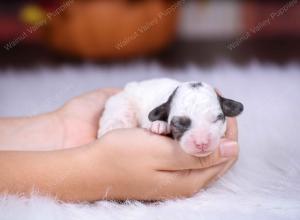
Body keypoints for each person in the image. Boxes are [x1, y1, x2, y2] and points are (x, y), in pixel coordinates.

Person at [0, 88, 239, 202]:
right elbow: (150, 118)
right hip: (129, 101)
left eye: (215, 120)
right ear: (166, 115)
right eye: (181, 125)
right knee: (116, 125)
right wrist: (91, 170)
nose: (202, 140)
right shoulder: (155, 108)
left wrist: (60, 125)